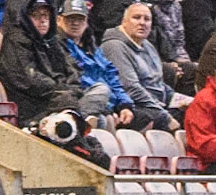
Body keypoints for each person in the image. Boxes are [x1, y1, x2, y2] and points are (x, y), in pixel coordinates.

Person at [58, 0, 165, 129]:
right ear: (59, 20)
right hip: (78, 99)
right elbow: (78, 81)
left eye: (80, 19)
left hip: (105, 102)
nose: (75, 23)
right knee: (103, 102)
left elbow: (112, 77)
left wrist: (124, 105)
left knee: (119, 117)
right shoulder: (56, 45)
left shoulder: (91, 47)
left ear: (86, 22)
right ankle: (72, 125)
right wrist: (109, 108)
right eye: (70, 19)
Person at [0, 0, 110, 125]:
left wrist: (71, 90)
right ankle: (72, 121)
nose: (42, 20)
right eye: (36, 15)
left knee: (100, 89)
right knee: (94, 117)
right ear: (26, 17)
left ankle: (70, 120)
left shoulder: (51, 41)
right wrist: (62, 90)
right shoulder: (16, 40)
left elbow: (72, 70)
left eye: (45, 15)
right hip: (32, 106)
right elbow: (29, 79)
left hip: (57, 98)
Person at [102, 2, 189, 132]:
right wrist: (164, 115)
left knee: (195, 111)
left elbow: (159, 85)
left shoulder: (148, 46)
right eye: (136, 18)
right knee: (157, 119)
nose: (142, 23)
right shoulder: (114, 47)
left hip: (157, 105)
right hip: (132, 107)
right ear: (124, 21)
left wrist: (184, 100)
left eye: (147, 19)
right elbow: (131, 88)